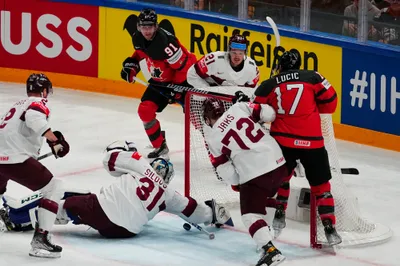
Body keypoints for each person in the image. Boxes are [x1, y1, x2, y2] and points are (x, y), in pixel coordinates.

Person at [0, 141, 233, 240]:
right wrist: (213, 213)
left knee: (63, 200)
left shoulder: (141, 165)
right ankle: (26, 217)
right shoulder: (169, 195)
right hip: (125, 232)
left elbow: (109, 158)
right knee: (78, 201)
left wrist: (128, 149)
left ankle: (17, 218)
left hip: (103, 212)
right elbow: (194, 211)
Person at [252, 51, 342, 246]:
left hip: (282, 141)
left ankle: (279, 212)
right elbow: (331, 104)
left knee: (281, 179)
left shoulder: (270, 83)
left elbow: (255, 111)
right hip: (312, 141)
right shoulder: (313, 76)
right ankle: (329, 227)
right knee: (321, 187)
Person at [202, 97, 287, 266]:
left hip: (255, 172)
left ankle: (270, 250)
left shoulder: (213, 138)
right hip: (279, 163)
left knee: (249, 215)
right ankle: (266, 233)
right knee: (268, 196)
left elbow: (226, 172)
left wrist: (239, 182)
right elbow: (270, 114)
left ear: (207, 119)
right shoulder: (239, 107)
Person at [0, 73, 70, 258]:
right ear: (44, 90)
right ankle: (41, 240)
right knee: (55, 187)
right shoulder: (38, 103)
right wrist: (54, 141)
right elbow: (33, 118)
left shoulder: (15, 106)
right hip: (16, 159)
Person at [120, 8, 197, 159]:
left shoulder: (166, 43)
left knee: (197, 117)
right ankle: (160, 146)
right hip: (161, 81)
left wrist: (176, 88)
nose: (147, 31)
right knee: (145, 110)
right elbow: (141, 53)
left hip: (185, 80)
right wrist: (133, 66)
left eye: (150, 27)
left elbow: (184, 68)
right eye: (143, 27)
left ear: (156, 26)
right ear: (138, 27)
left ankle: (218, 154)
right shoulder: (137, 37)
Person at [187, 34, 259, 89]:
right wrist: (208, 92)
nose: (237, 56)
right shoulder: (214, 60)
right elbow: (192, 74)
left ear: (245, 53)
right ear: (229, 50)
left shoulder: (251, 68)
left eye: (240, 53)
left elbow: (252, 91)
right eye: (234, 52)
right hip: (209, 95)